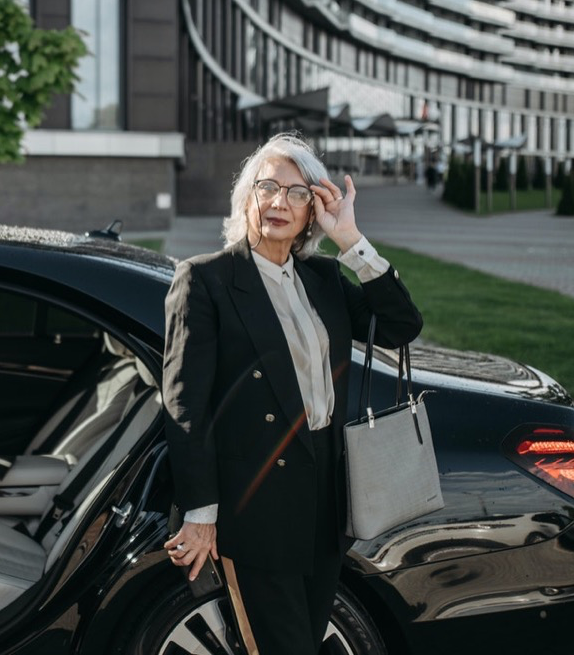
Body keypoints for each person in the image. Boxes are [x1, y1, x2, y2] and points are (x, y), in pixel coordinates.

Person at [161, 132, 423, 654]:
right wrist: (201, 512)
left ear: (312, 212)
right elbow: (184, 404)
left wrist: (351, 240)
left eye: (298, 193)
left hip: (325, 499)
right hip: (254, 507)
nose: (280, 202)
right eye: (268, 188)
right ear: (247, 199)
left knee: (304, 639)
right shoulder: (206, 280)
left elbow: (400, 325)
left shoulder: (323, 278)